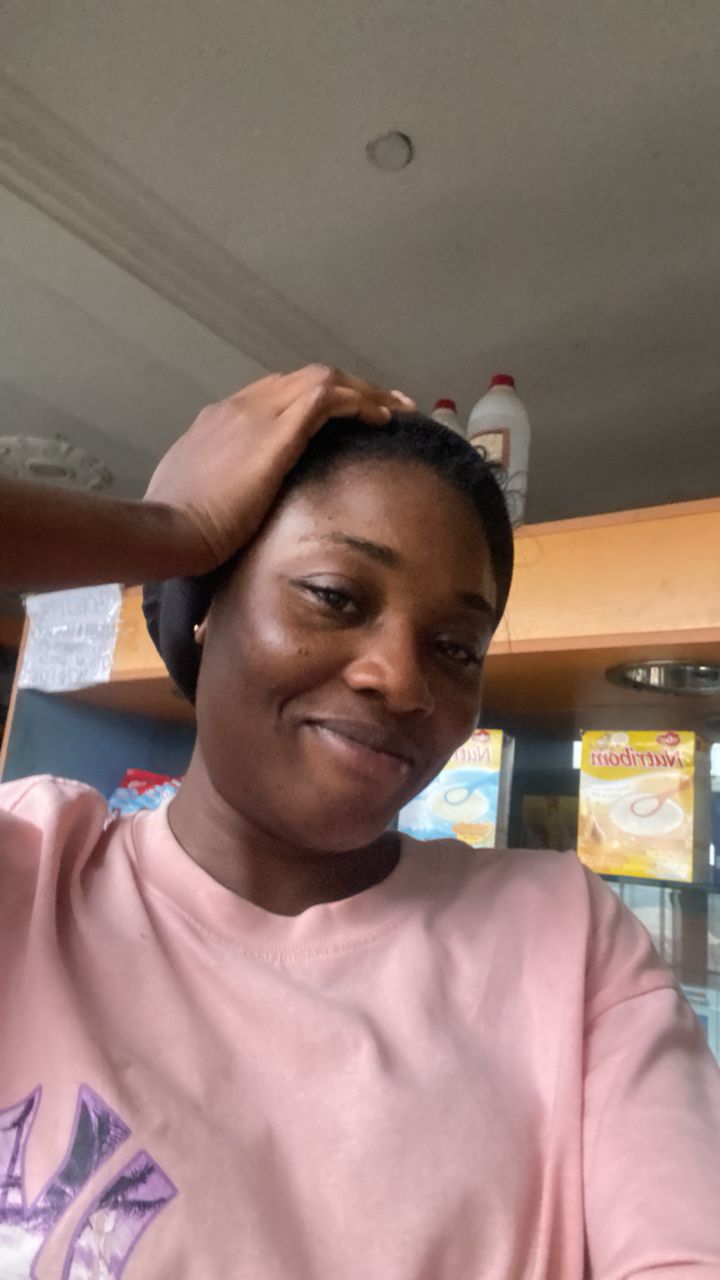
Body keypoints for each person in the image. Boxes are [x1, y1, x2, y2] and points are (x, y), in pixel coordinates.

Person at [0, 365, 719, 1279]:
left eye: (455, 646)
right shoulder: (31, 872)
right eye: (335, 596)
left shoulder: (564, 939)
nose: (403, 679)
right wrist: (164, 533)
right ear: (203, 613)